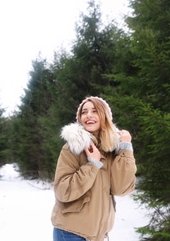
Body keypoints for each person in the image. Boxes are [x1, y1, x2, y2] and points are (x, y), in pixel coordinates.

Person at [51, 96, 137, 241]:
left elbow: (121, 188)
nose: (88, 115)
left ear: (106, 116)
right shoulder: (72, 148)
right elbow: (63, 191)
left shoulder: (112, 149)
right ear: (79, 118)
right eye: (84, 112)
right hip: (71, 233)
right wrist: (92, 165)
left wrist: (125, 149)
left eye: (95, 111)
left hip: (99, 235)